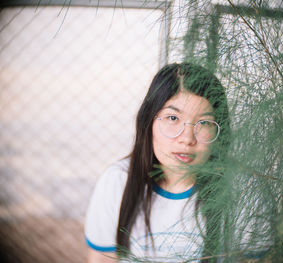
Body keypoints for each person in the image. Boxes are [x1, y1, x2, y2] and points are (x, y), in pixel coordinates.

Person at [85, 62, 230, 263]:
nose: (187, 138)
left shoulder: (242, 190)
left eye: (203, 122)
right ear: (148, 122)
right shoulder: (117, 181)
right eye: (173, 118)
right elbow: (103, 259)